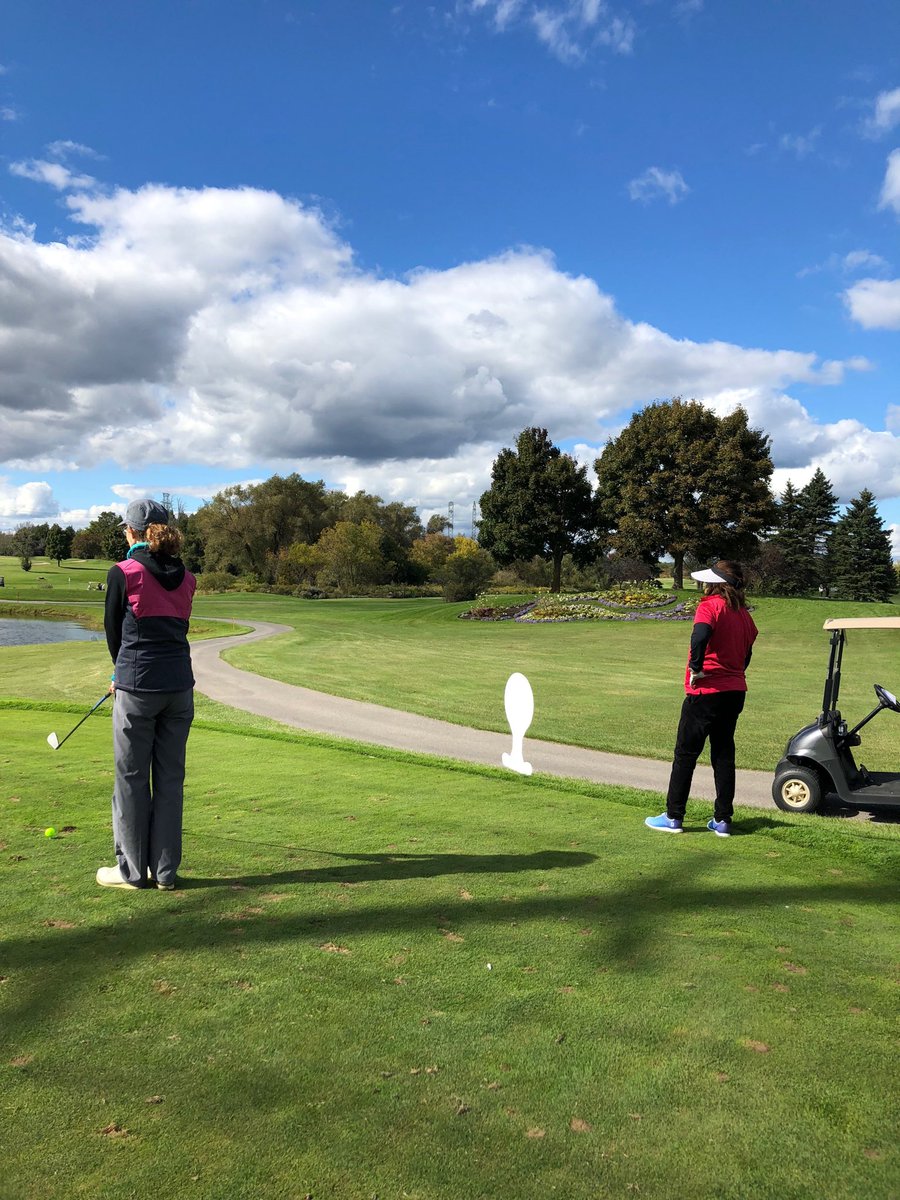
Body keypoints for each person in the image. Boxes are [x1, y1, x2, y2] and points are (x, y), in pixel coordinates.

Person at [96, 499, 197, 889]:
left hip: (138, 688)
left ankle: (133, 872)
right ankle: (165, 873)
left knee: (132, 779)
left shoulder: (123, 572)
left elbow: (114, 634)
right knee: (170, 780)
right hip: (179, 689)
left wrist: (118, 673)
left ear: (131, 531)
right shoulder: (187, 577)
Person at [645, 560, 758, 837]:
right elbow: (747, 655)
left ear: (717, 584)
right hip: (734, 692)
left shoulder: (710, 606)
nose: (704, 584)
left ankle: (674, 816)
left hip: (706, 691)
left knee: (685, 754)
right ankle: (723, 820)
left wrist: (696, 668)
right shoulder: (744, 615)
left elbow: (700, 636)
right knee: (723, 754)